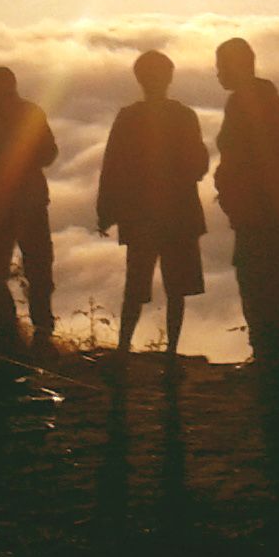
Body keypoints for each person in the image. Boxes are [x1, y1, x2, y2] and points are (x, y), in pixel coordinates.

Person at [96, 51, 208, 356]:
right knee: (177, 288)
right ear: (169, 77)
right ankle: (171, 351)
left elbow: (112, 167)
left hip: (140, 215)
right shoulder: (184, 116)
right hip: (180, 213)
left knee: (135, 286)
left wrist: (106, 212)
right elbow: (199, 165)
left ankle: (123, 350)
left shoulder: (128, 117)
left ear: (139, 79)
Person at [214, 36, 279, 365]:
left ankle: (269, 360)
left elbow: (239, 156)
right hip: (277, 211)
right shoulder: (267, 97)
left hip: (258, 215)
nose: (218, 74)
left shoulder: (243, 102)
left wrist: (232, 190)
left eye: (221, 66)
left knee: (258, 288)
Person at [0, 65, 61, 358]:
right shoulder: (30, 112)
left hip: (2, 203)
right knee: (39, 267)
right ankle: (41, 334)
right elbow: (49, 153)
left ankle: (7, 335)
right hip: (29, 200)